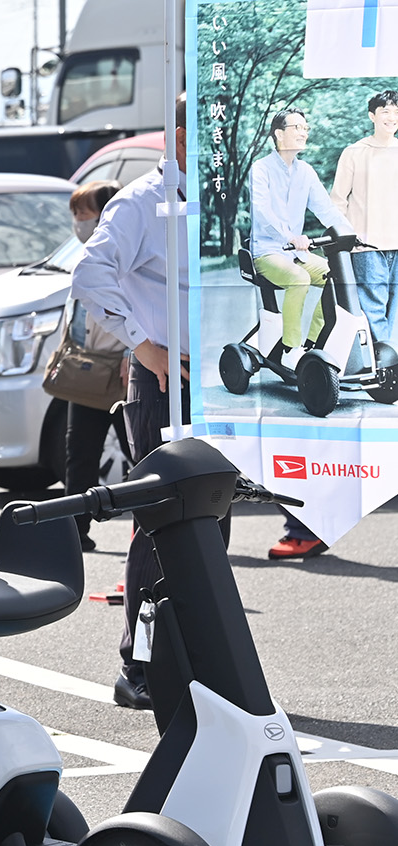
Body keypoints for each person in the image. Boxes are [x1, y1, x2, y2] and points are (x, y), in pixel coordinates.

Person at [71, 93, 230, 712]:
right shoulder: (142, 201)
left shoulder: (225, 195)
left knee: (212, 518)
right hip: (164, 382)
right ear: (181, 136)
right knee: (163, 520)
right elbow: (90, 274)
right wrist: (143, 344)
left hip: (219, 382)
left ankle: (200, 659)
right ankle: (139, 666)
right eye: (215, 129)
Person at [250, 107, 350, 562]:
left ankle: (310, 344)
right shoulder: (262, 169)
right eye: (297, 127)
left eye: (306, 128)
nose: (303, 133)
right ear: (277, 134)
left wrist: (351, 234)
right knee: (297, 278)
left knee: (329, 274)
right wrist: (290, 236)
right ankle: (290, 349)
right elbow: (263, 211)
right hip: (268, 251)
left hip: (295, 249)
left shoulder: (306, 171)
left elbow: (325, 208)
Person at [63, 178, 127, 552]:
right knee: (80, 453)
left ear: (106, 214)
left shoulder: (125, 252)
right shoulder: (85, 254)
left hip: (123, 369)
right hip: (87, 370)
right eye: (75, 214)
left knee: (141, 453)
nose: (78, 222)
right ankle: (74, 531)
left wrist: (132, 354)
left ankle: (156, 529)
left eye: (83, 213)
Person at [330, 90, 398, 347]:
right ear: (372, 116)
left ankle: (389, 357)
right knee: (372, 305)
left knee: (395, 310)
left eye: (396, 112)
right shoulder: (354, 152)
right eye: (385, 111)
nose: (392, 117)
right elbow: (338, 201)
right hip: (367, 245)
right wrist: (345, 238)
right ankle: (383, 360)